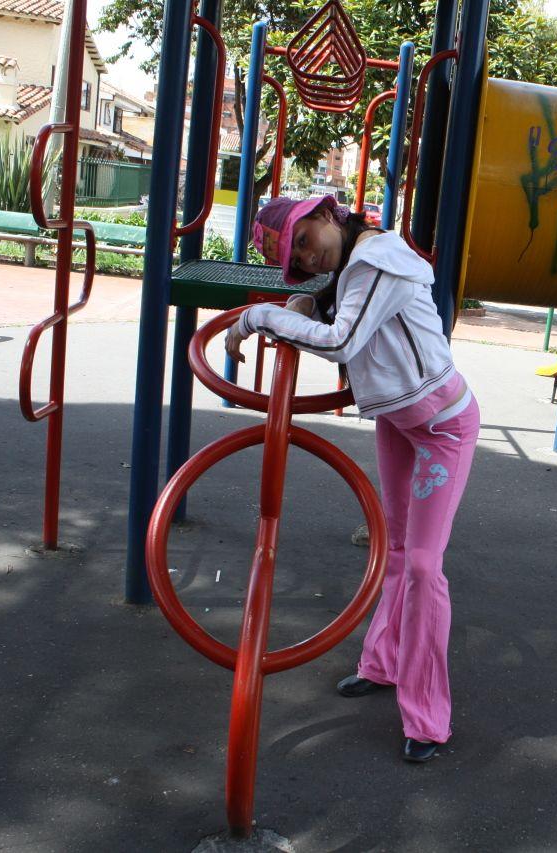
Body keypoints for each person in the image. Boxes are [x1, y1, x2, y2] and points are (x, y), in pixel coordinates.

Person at [224, 195, 479, 763]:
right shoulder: (350, 270)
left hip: (444, 427)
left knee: (421, 565)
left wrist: (260, 315)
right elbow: (336, 317)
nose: (308, 259)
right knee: (394, 550)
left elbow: (343, 340)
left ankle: (428, 717)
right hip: (400, 418)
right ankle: (382, 664)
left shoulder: (378, 259)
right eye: (297, 257)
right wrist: (300, 304)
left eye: (306, 242)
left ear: (327, 216)